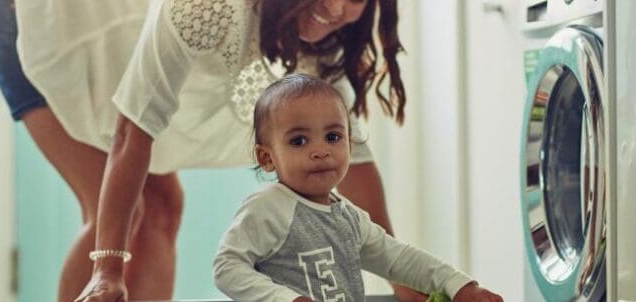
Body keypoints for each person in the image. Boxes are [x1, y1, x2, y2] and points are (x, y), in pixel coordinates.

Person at [0, 0, 420, 301]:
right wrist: (107, 270)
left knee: (163, 206)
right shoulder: (205, 8)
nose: (340, 7)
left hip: (116, 51)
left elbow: (357, 163)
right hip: (39, 31)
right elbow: (131, 135)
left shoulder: (321, 35)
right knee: (122, 214)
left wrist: (405, 282)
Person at [213, 74, 503, 302]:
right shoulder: (268, 207)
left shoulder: (348, 217)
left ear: (350, 144)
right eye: (299, 141)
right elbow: (227, 267)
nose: (321, 151)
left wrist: (460, 285)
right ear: (267, 157)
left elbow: (397, 258)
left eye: (333, 136)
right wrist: (288, 299)